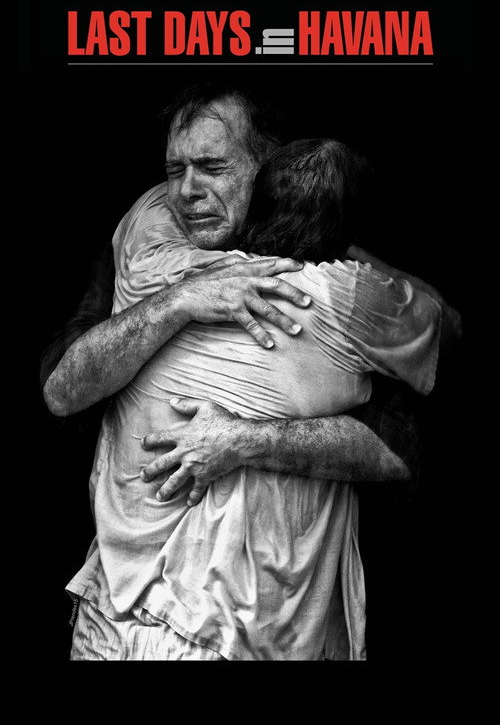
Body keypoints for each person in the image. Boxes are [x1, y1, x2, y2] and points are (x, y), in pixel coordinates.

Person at [40, 83, 458, 660]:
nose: (187, 191)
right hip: (114, 615)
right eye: (174, 170)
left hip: (254, 633)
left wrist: (242, 440)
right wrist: (180, 300)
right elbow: (62, 390)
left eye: (213, 167)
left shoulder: (337, 296)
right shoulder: (147, 249)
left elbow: (399, 451)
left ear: (270, 169)